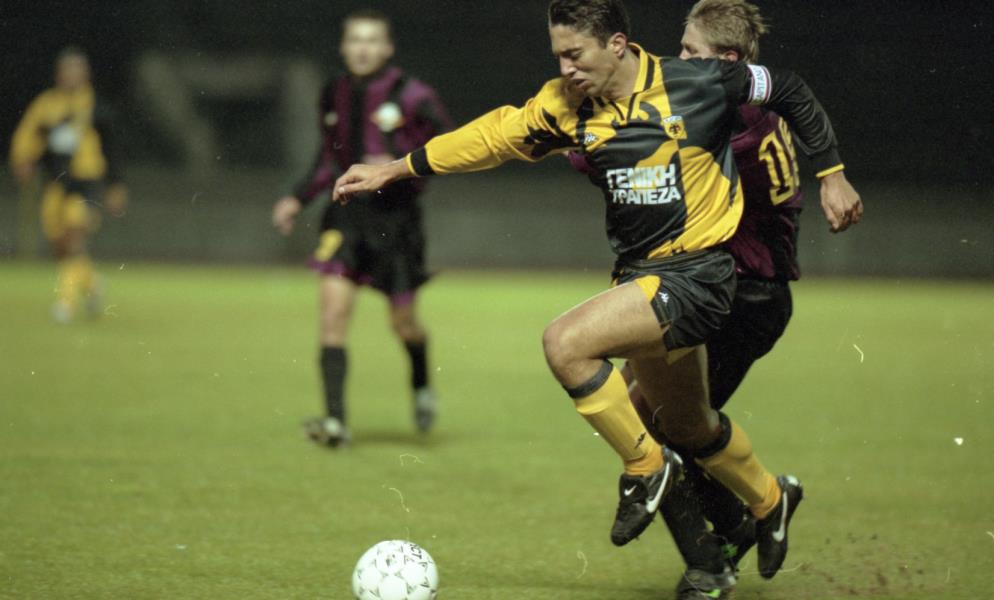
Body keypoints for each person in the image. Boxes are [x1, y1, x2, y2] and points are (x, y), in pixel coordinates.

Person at [330, 0, 862, 574]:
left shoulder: (699, 83)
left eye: (575, 54)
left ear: (617, 45)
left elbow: (789, 89)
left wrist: (832, 173)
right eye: (558, 55)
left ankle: (648, 472)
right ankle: (768, 500)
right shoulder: (566, 106)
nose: (566, 68)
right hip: (642, 275)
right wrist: (396, 168)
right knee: (686, 424)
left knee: (565, 344)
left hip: (698, 276)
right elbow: (493, 136)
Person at [596, 1, 862, 598]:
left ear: (730, 60)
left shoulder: (722, 122)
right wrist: (833, 171)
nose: (680, 60)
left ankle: (719, 554)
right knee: (655, 422)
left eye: (692, 52)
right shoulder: (750, 111)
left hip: (742, 297)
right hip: (731, 288)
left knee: (661, 428)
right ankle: (747, 521)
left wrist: (589, 140)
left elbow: (639, 156)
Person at [272, 9, 452, 447]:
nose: (363, 48)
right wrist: (298, 197)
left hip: (397, 221)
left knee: (404, 324)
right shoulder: (333, 92)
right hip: (347, 217)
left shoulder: (413, 96)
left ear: (388, 48)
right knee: (333, 314)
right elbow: (328, 157)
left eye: (372, 40)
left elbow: (448, 148)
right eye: (355, 39)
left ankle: (421, 379)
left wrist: (398, 167)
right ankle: (335, 421)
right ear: (343, 46)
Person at [10, 47, 127, 322]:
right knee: (60, 245)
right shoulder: (47, 105)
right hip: (57, 185)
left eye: (78, 69)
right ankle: (92, 284)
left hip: (87, 184)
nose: (73, 75)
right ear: (59, 74)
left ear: (86, 74)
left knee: (75, 239)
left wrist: (116, 186)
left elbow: (112, 149)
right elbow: (29, 134)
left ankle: (66, 303)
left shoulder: (96, 108)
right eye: (68, 69)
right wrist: (23, 159)